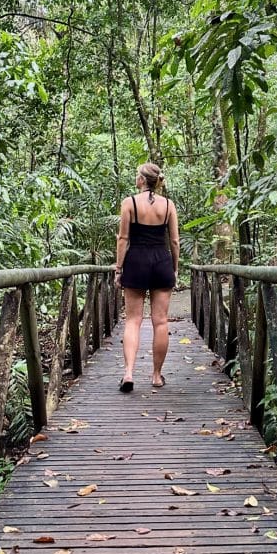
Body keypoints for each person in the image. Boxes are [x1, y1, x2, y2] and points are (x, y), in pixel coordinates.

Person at [114, 162, 180, 393]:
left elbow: (123, 239)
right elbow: (174, 241)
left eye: (136, 175)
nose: (135, 178)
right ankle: (156, 375)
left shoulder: (129, 202)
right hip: (161, 260)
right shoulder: (168, 205)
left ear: (142, 180)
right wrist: (175, 267)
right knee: (160, 321)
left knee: (133, 320)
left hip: (136, 261)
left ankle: (129, 372)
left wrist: (118, 269)